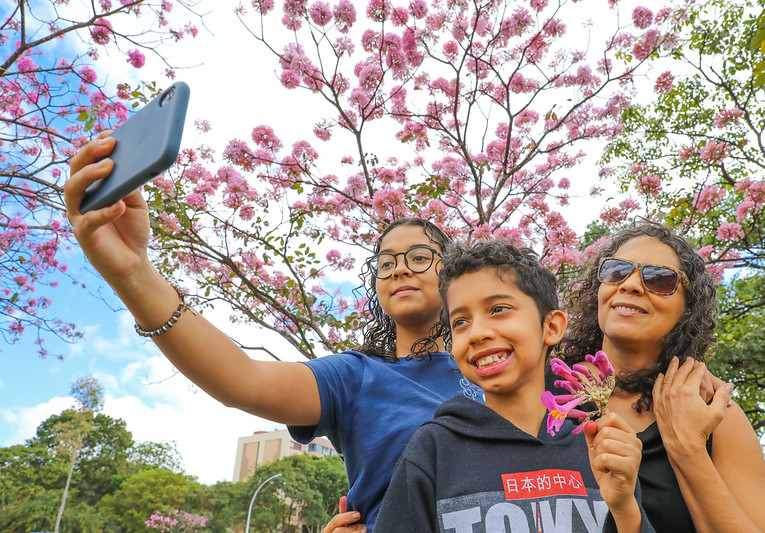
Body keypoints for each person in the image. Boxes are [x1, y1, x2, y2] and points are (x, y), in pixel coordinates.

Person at [64, 133, 482, 532]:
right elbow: (242, 380)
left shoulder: (505, 375)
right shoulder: (355, 378)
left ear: (452, 271)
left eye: (419, 257)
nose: (401, 269)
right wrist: (134, 272)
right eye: (387, 263)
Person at [375, 240, 652, 533]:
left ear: (552, 327)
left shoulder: (602, 447)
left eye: (498, 309)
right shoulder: (433, 449)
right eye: (461, 322)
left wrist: (625, 510)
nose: (477, 333)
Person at [558, 221, 765, 532]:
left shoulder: (715, 413)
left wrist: (688, 449)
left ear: (687, 310)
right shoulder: (540, 392)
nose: (630, 285)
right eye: (616, 271)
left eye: (660, 279)